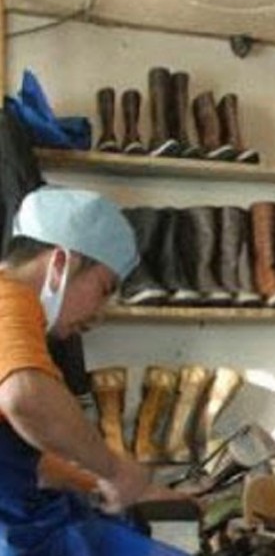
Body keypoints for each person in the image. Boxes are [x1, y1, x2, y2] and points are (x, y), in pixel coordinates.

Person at [0, 186, 188, 554]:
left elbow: (27, 463)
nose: (98, 315)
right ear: (60, 263)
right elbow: (25, 398)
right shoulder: (9, 299)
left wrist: (108, 484)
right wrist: (114, 470)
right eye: (103, 289)